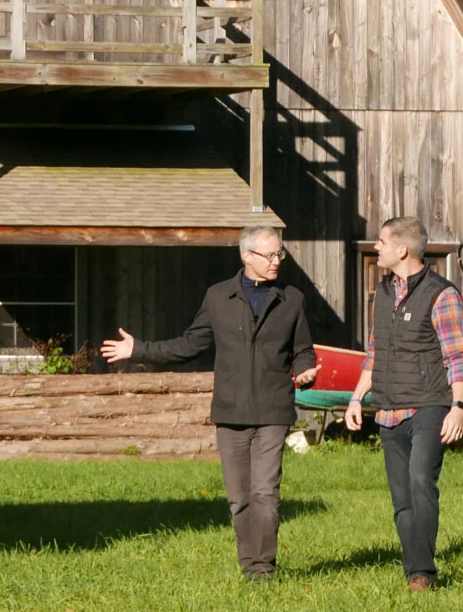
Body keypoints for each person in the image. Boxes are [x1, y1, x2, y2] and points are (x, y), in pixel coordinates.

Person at [101, 224, 318, 582]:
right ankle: (250, 565)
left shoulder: (291, 298)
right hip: (230, 413)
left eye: (280, 254)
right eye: (269, 255)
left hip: (273, 411)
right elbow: (189, 345)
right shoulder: (218, 297)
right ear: (246, 256)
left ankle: (262, 569)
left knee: (265, 493)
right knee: (240, 499)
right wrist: (138, 350)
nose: (276, 261)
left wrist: (306, 369)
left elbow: (304, 349)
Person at [341, 216, 463, 592]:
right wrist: (356, 397)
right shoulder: (382, 293)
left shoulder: (441, 294)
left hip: (430, 406)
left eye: (381, 242)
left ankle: (421, 573)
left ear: (402, 249)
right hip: (388, 410)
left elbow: (457, 356)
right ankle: (415, 566)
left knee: (420, 482)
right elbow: (375, 352)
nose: (376, 248)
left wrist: (458, 407)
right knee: (401, 497)